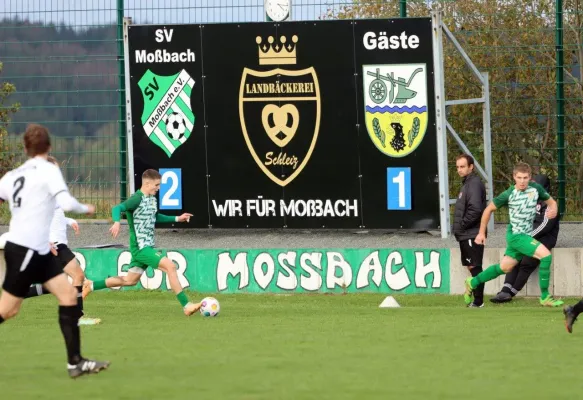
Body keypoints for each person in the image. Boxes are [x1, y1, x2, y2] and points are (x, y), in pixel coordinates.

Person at [0, 124, 109, 378]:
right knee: (8, 310)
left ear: (26, 149)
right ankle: (76, 361)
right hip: (26, 250)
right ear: (48, 147)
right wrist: (87, 209)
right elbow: (66, 202)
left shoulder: (12, 176)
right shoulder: (48, 170)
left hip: (38, 250)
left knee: (69, 297)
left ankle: (75, 362)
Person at [82, 169, 201, 316]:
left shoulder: (151, 198)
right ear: (147, 183)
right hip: (141, 247)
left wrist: (177, 218)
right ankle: (186, 305)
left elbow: (155, 217)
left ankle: (91, 285)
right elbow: (117, 208)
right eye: (156, 185)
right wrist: (117, 222)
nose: (158, 188)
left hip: (147, 246)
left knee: (129, 280)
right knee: (170, 267)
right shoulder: (136, 198)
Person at [463, 162, 563, 307]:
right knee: (546, 256)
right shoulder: (508, 194)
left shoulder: (536, 189)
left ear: (530, 178)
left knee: (504, 268)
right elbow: (487, 210)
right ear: (514, 177)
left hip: (523, 235)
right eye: (519, 177)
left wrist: (553, 208)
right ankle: (545, 296)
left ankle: (472, 282)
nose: (522, 181)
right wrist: (481, 233)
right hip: (516, 235)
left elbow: (552, 201)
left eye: (525, 178)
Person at [23, 156, 101, 325]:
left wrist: (70, 221)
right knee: (78, 276)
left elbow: (56, 215)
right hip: (54, 245)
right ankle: (77, 317)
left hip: (57, 244)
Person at [490, 174, 560, 303]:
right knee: (514, 259)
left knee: (527, 262)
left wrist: (525, 236)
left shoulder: (549, 204)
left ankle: (511, 292)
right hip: (526, 235)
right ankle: (505, 290)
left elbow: (544, 226)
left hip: (544, 238)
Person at [453, 154, 487, 308]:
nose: (460, 170)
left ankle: (478, 302)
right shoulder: (468, 183)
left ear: (471, 167)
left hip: (471, 233)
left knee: (475, 266)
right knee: (472, 266)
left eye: (463, 166)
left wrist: (462, 225)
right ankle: (477, 300)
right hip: (467, 233)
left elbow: (475, 210)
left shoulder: (473, 184)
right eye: (458, 167)